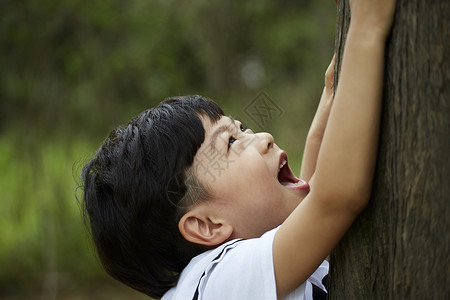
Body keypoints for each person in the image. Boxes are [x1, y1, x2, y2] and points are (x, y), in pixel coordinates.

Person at [80, 0, 397, 299]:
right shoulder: (214, 283)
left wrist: (333, 92)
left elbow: (316, 193)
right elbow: (334, 198)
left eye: (242, 129)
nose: (265, 138)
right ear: (207, 226)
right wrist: (366, 28)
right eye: (231, 143)